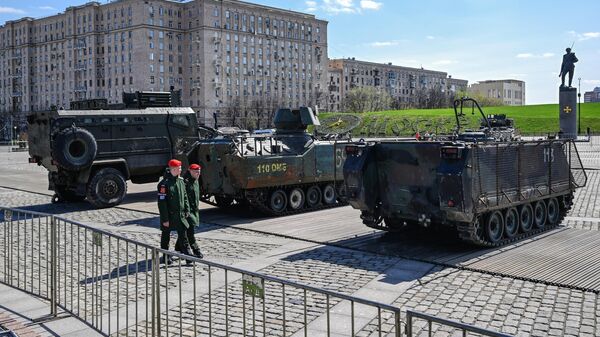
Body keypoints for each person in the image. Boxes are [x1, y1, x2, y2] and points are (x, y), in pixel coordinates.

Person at [157, 159, 191, 264]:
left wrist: (187, 209)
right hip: (169, 215)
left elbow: (185, 197)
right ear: (173, 169)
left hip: (180, 215)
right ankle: (166, 256)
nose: (181, 170)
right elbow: (162, 203)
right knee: (166, 236)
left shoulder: (180, 181)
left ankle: (188, 256)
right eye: (179, 168)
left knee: (183, 234)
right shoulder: (164, 184)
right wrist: (165, 219)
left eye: (180, 168)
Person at [182, 163, 204, 259]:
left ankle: (178, 249)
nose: (198, 174)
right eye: (196, 172)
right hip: (188, 211)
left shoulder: (196, 181)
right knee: (190, 231)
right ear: (190, 171)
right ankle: (196, 250)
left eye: (199, 172)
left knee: (186, 231)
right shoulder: (185, 182)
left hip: (194, 211)